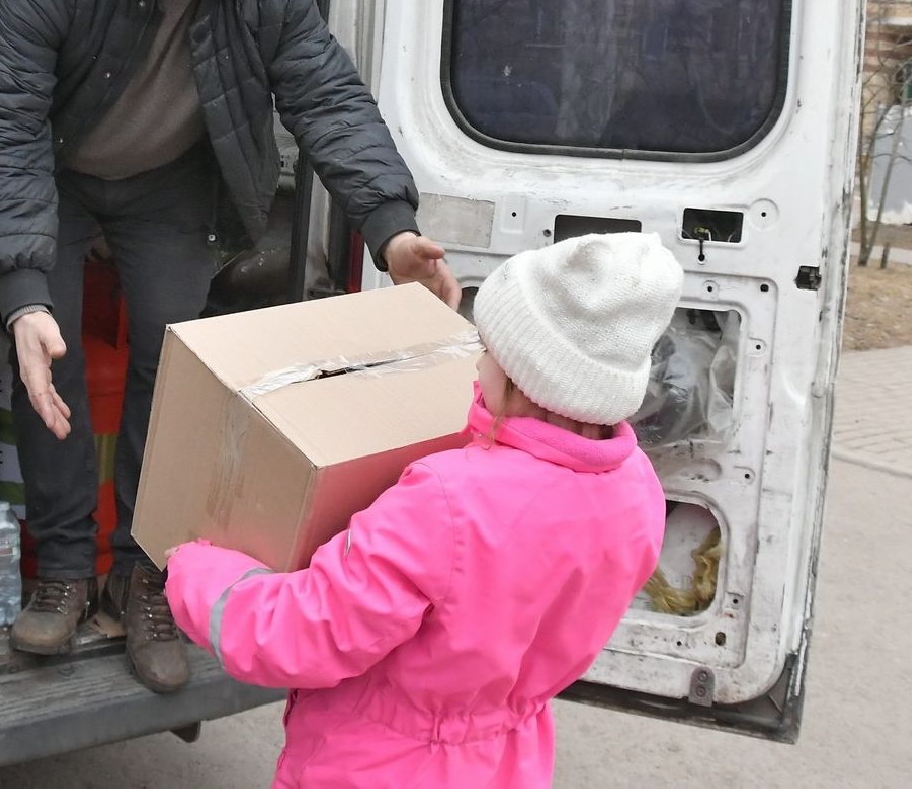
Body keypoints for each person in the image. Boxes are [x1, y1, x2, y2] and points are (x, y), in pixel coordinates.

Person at [0, 0, 459, 694]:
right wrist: (22, 289)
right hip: (58, 176)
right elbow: (3, 117)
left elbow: (324, 94)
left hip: (169, 187)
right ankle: (65, 570)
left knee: (176, 371)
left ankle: (146, 575)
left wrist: (390, 227)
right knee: (51, 357)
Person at [165, 232, 680, 786]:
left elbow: (303, 632)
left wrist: (197, 570)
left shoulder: (445, 501)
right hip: (510, 762)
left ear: (520, 372)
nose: (477, 364)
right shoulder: (636, 488)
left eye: (486, 348)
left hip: (384, 767)